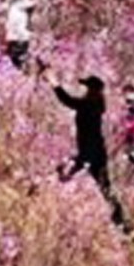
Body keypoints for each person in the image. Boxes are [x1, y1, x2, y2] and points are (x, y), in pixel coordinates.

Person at [52, 75, 125, 225]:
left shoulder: (88, 105)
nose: (84, 90)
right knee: (105, 186)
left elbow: (67, 100)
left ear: (91, 90)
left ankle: (118, 216)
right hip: (96, 152)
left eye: (86, 87)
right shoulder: (96, 104)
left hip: (90, 153)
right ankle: (118, 215)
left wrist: (54, 83)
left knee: (102, 185)